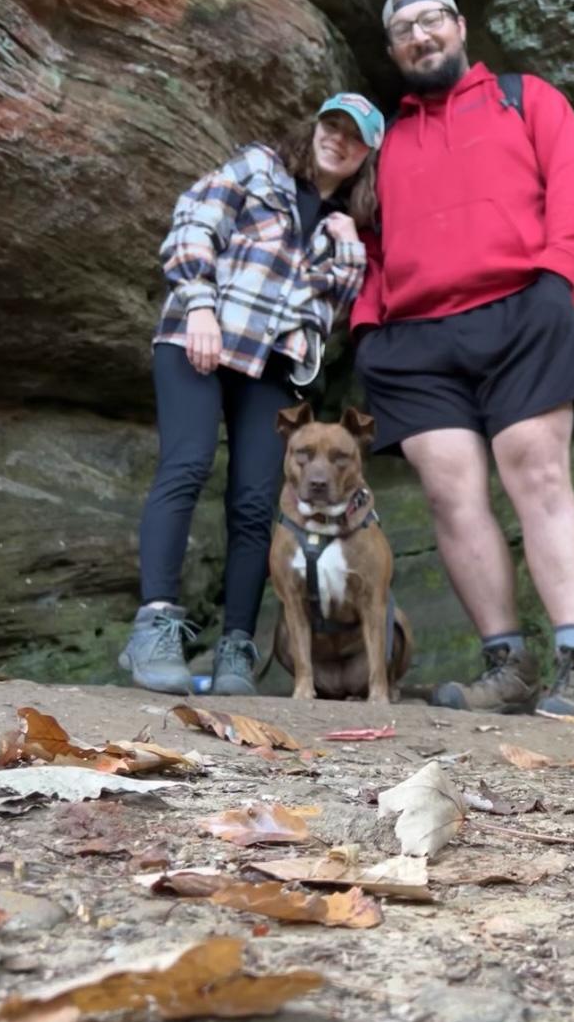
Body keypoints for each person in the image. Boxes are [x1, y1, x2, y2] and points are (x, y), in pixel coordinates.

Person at [352, 0, 574, 717]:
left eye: (430, 19)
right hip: (414, 337)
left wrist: (556, 278)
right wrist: (367, 326)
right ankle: (508, 666)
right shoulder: (385, 142)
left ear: (459, 26)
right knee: (449, 493)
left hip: (521, 309)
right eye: (403, 30)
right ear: (393, 51)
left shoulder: (526, 99)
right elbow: (369, 242)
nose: (420, 36)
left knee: (539, 475)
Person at [119, 93, 385, 696]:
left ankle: (237, 647)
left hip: (271, 366)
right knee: (187, 465)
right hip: (200, 337)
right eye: (331, 125)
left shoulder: (344, 227)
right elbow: (194, 224)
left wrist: (347, 240)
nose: (337, 139)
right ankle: (155, 629)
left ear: (366, 156)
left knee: (254, 501)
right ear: (315, 127)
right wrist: (200, 307)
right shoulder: (259, 166)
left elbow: (332, 306)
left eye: (353, 137)